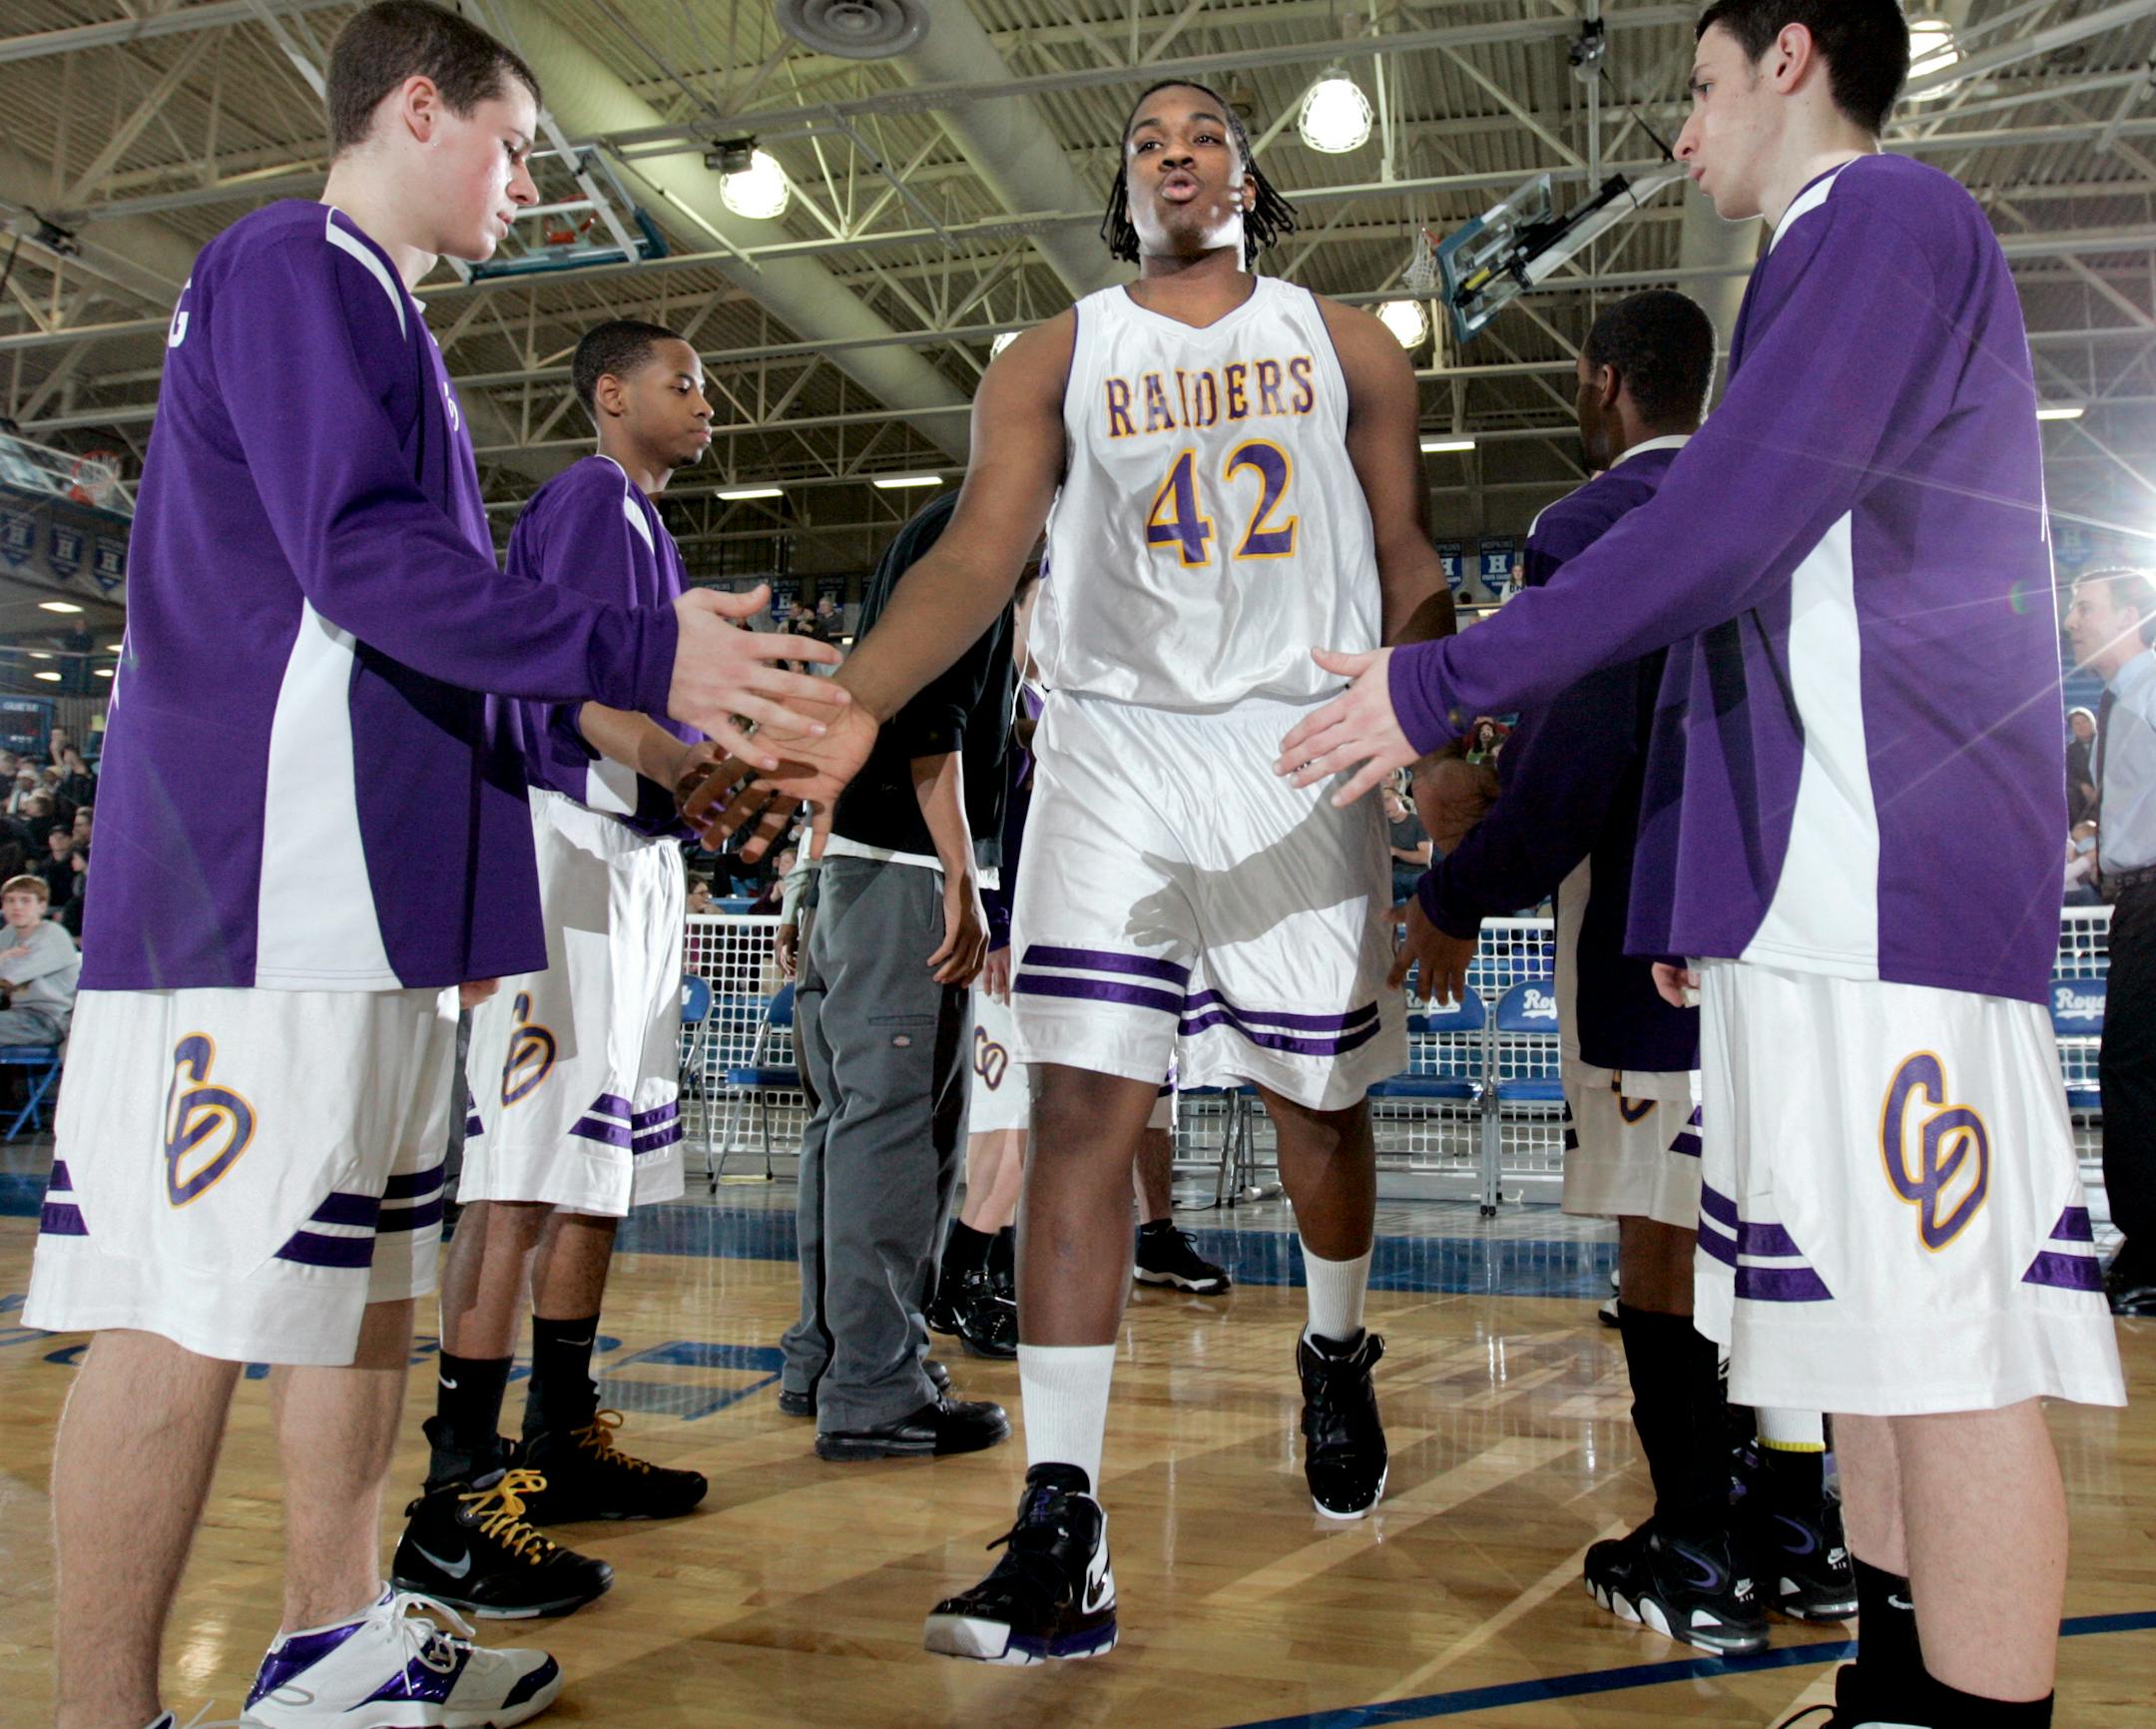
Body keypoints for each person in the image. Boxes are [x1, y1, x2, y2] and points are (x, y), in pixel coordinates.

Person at [1283, 7, 2124, 1725]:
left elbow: (1723, 531)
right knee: (1874, 1353)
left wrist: (1439, 677)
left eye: (1698, 88)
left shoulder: (1882, 217)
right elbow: (1758, 609)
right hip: (1819, 891)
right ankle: (1898, 1682)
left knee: (1947, 1361)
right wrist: (1706, 886)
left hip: (1896, 888)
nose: (1681, 136)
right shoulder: (1830, 258)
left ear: (1791, 57)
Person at [18, 7, 836, 1728]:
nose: (530, 181)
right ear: (416, 106)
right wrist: (634, 651)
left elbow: (413, 640)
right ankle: (105, 1708)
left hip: (356, 899)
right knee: (185, 1306)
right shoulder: (291, 260)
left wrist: (461, 901)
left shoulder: (377, 308)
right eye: (517, 140)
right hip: (253, 892)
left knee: (359, 1281)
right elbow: (358, 567)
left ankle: (335, 1637)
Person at [694, 75, 1454, 1662]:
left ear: (1246, 178)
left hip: (1297, 742)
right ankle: (1062, 1515)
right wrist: (856, 703)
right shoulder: (1052, 353)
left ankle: (1332, 1344)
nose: (1175, 155)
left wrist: (1432, 729)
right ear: (1125, 191)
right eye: (1145, 142)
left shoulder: (1348, 341)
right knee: (1079, 1115)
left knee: (1316, 1110)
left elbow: (1407, 558)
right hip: (1109, 748)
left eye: (1204, 136)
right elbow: (982, 554)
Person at [1412, 289, 1850, 1656]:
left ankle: (1698, 1548)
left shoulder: (1588, 527)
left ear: (1605, 386)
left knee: (1663, 1240)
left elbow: (1577, 755)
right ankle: (1801, 1531)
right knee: (1773, 1231)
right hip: (1795, 928)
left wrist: (1455, 888)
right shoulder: (1779, 511)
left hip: (1655, 922)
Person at [389, 318, 727, 1622]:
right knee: (527, 1166)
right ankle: (458, 1484)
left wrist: (694, 805)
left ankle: (561, 1431)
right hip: (564, 844)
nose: (707, 403)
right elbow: (576, 687)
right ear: (613, 393)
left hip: (628, 855)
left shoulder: (650, 523)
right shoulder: (592, 498)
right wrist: (693, 770)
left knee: (604, 1163)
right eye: (684, 381)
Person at [775, 489, 1013, 1462]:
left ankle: (826, 1358)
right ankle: (875, 1385)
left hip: (851, 867)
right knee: (897, 1133)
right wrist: (965, 876)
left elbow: (856, 710)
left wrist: (805, 880)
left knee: (845, 1127)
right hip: (909, 873)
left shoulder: (930, 530)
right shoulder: (980, 532)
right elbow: (929, 725)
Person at [2063, 567, 2156, 1318]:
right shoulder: (2115, 703)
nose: (2071, 619)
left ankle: (2150, 1252)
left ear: (2130, 614)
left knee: (2132, 1069)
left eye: (2085, 607)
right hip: (2133, 897)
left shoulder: (2148, 691)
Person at [0, 873, 79, 1045]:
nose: (17, 907)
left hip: (48, 1019)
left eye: (25, 900)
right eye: (10, 900)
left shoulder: (52, 936)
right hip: (15, 1014)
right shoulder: (7, 934)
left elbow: (6, 980)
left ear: (42, 906)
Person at [1380, 777, 1433, 905]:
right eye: (1382, 802)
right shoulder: (1382, 826)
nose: (1385, 805)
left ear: (1398, 799)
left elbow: (1424, 858)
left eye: (1388, 800)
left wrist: (1395, 852)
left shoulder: (1419, 822)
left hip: (1416, 874)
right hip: (1393, 876)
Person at [2065, 706, 2099, 827]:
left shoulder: (2106, 745)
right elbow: (2066, 774)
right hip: (2083, 794)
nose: (2081, 726)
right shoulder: (2070, 750)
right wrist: (2082, 786)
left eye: (2085, 721)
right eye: (2077, 723)